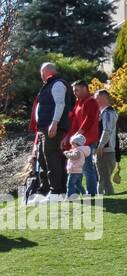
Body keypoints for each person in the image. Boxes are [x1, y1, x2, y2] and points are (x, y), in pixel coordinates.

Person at [29, 61, 72, 199]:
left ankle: (57, 191)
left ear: (46, 72)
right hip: (43, 128)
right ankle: (45, 191)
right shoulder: (48, 85)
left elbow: (60, 104)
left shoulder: (58, 84)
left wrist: (54, 123)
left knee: (52, 158)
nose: (40, 74)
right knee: (42, 158)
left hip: (52, 128)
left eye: (41, 72)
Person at [64, 81, 102, 196]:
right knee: (77, 168)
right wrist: (68, 137)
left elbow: (89, 119)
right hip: (78, 141)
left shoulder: (90, 101)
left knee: (87, 168)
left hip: (87, 141)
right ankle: (77, 192)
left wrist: (78, 134)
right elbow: (74, 123)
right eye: (74, 90)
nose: (74, 93)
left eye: (77, 90)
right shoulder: (79, 103)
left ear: (85, 88)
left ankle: (92, 192)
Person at [94, 89, 119, 196]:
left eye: (96, 97)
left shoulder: (108, 113)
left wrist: (100, 145)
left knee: (103, 180)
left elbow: (107, 130)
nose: (94, 100)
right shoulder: (104, 113)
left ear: (103, 97)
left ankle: (103, 198)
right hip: (105, 150)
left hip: (105, 151)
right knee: (104, 179)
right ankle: (105, 197)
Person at [63, 133, 91, 198]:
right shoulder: (80, 150)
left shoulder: (78, 151)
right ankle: (84, 194)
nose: (72, 146)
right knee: (78, 184)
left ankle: (69, 197)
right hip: (78, 171)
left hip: (74, 171)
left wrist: (67, 153)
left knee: (70, 184)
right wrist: (71, 152)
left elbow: (74, 156)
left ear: (77, 143)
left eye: (72, 144)